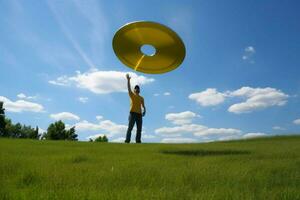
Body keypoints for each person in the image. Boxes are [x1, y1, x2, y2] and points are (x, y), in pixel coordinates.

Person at [125, 74, 146, 143]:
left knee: (139, 129)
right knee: (130, 128)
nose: (137, 89)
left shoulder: (141, 98)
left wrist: (144, 110)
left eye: (138, 88)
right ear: (134, 90)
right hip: (132, 113)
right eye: (136, 88)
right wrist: (128, 80)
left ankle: (138, 141)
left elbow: (143, 106)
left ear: (139, 90)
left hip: (139, 115)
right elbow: (128, 88)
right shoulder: (132, 95)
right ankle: (127, 141)